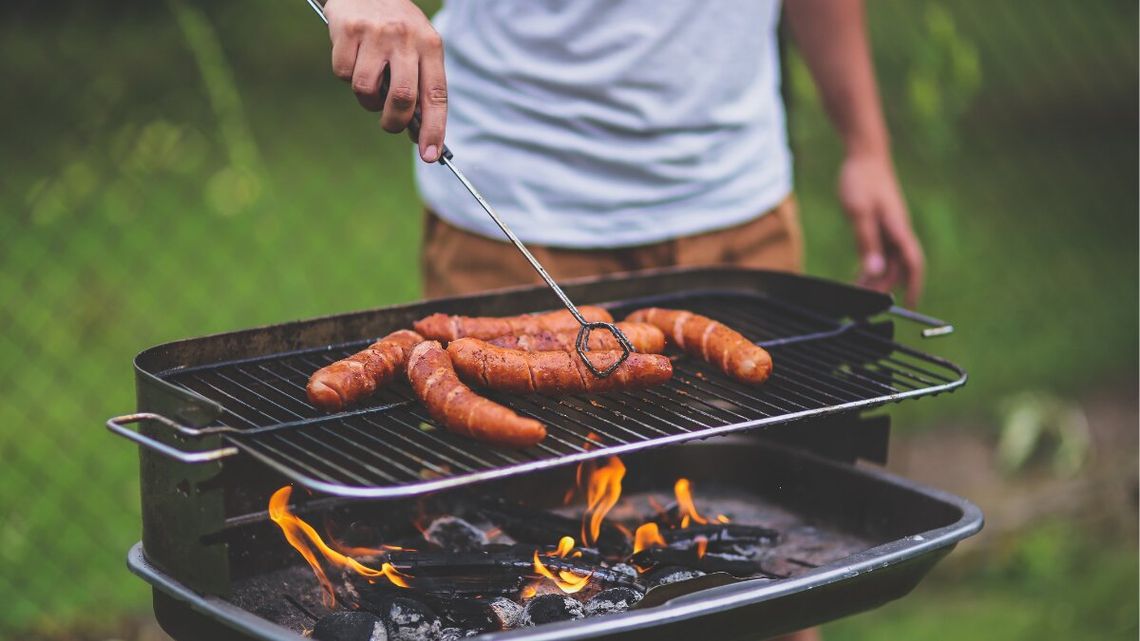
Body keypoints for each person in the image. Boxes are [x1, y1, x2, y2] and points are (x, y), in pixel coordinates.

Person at [324, 1, 921, 636]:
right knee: (514, 573)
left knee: (761, 588)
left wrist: (866, 144)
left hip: (737, 207)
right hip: (512, 210)